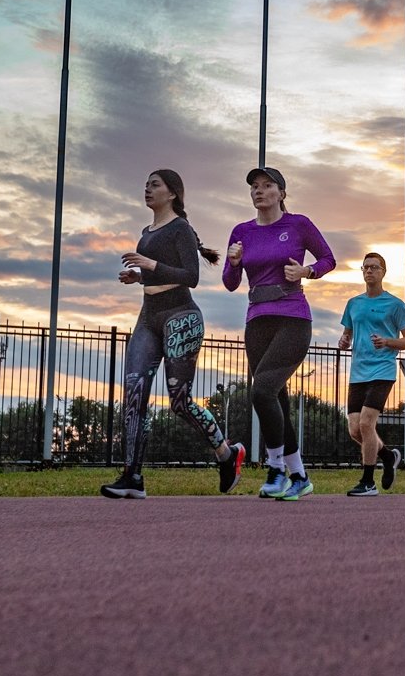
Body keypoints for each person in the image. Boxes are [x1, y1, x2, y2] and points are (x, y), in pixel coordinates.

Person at [101, 169, 244, 500]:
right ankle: (132, 477)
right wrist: (139, 278)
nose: (147, 189)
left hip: (181, 318)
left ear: (172, 194)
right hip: (147, 318)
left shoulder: (179, 229)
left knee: (179, 402)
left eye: (155, 185)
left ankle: (227, 454)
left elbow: (191, 276)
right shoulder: (146, 231)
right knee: (134, 396)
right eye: (146, 184)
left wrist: (149, 266)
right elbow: (161, 273)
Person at [222, 166, 335, 501]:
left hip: (293, 318)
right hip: (257, 321)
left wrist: (307, 270)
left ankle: (276, 469)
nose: (259, 191)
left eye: (267, 185)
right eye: (254, 187)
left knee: (262, 392)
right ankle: (299, 476)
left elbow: (328, 258)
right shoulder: (242, 231)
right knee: (277, 400)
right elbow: (230, 284)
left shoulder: (297, 224)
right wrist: (233, 262)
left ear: (281, 193)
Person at [337, 252, 405, 496]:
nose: (369, 271)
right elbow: (348, 332)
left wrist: (388, 342)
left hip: (382, 369)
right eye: (366, 267)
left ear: (383, 272)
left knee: (366, 424)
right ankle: (387, 455)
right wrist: (344, 340)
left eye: (374, 267)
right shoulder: (354, 303)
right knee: (354, 430)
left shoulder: (394, 304)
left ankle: (368, 482)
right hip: (358, 372)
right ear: (362, 271)